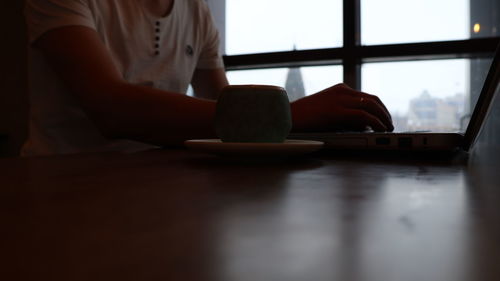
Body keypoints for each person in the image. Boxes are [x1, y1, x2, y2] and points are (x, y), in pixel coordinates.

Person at [22, 0, 393, 156]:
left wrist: (331, 131)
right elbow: (111, 109)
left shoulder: (196, 11)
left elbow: (230, 117)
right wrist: (293, 114)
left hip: (158, 182)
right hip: (61, 181)